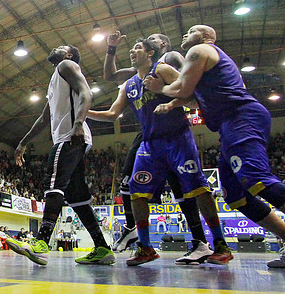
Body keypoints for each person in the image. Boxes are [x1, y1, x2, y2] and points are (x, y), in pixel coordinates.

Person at [144, 24, 285, 268]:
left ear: (207, 36)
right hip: (228, 124)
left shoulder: (200, 50)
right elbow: (193, 98)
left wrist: (161, 90)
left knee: (255, 178)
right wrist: (174, 104)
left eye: (192, 30)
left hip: (242, 116)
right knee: (235, 196)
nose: (186, 34)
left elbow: (183, 88)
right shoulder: (205, 64)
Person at [88, 38, 232, 266]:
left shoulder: (162, 69)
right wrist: (84, 111)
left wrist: (169, 101)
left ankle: (220, 244)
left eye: (137, 47)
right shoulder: (129, 85)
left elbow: (192, 98)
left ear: (150, 53)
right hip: (150, 144)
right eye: (132, 49)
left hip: (177, 138)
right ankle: (145, 247)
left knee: (199, 189)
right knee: (135, 193)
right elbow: (112, 114)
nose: (133, 51)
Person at [7, 45, 115, 266]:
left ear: (69, 55)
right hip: (71, 137)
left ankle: (41, 243)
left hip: (70, 136)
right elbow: (44, 119)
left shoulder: (67, 66)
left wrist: (78, 123)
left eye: (62, 47)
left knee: (53, 184)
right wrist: (23, 142)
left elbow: (85, 92)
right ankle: (102, 248)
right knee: (77, 198)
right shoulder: (56, 80)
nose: (56, 47)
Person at [103, 31, 208, 256]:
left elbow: (188, 87)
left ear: (160, 45)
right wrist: (111, 49)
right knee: (129, 181)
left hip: (171, 130)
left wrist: (167, 97)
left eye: (153, 38)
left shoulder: (169, 59)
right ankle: (136, 233)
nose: (147, 39)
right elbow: (111, 77)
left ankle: (201, 240)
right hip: (149, 132)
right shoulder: (138, 72)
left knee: (183, 189)